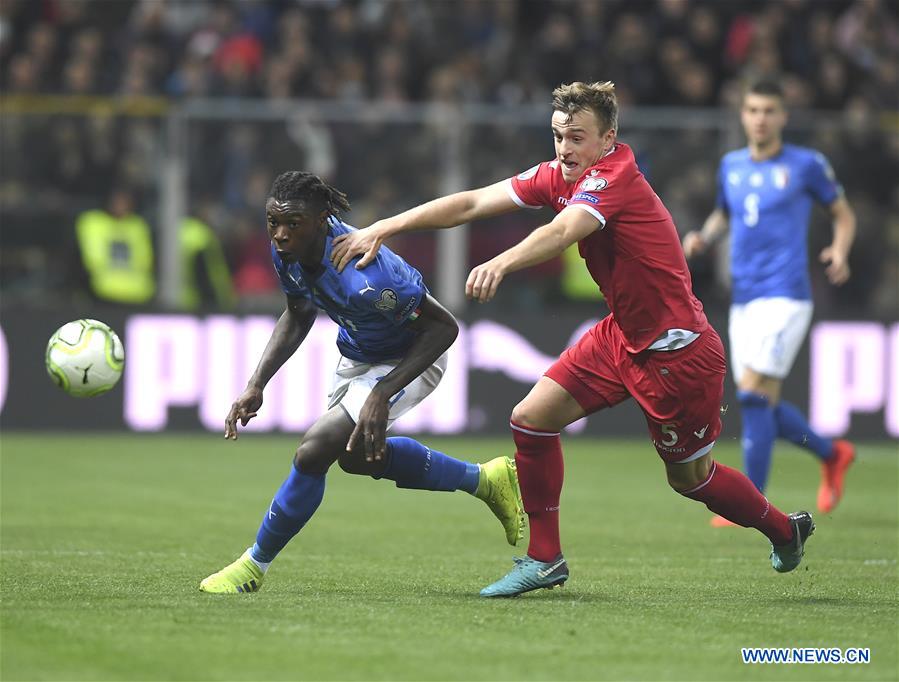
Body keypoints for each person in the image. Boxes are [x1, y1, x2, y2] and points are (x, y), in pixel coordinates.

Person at [331, 81, 814, 598]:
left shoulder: (615, 176)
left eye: (577, 138)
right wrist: (384, 226)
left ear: (608, 139)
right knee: (530, 419)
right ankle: (545, 559)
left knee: (690, 480)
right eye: (559, 135)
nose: (564, 149)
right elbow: (472, 202)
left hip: (677, 351)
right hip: (620, 335)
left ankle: (785, 530)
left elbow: (564, 232)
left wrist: (502, 262)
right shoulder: (560, 175)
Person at [199, 171, 524, 594]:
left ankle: (252, 566)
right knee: (355, 457)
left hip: (412, 356)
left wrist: (382, 393)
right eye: (272, 223)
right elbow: (298, 313)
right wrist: (256, 383)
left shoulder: (367, 274)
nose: (279, 235)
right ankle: (485, 479)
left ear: (322, 220)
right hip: (357, 356)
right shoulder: (289, 248)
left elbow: (443, 329)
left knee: (313, 451)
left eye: (291, 224)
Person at [682, 80, 856, 526]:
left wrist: (839, 249)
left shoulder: (806, 165)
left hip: (787, 295)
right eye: (753, 110)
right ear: (743, 115)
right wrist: (706, 234)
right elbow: (726, 211)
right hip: (744, 298)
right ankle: (832, 453)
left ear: (783, 117)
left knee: (755, 393)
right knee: (756, 399)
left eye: (769, 111)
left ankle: (751, 502)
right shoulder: (731, 165)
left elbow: (843, 213)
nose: (760, 118)